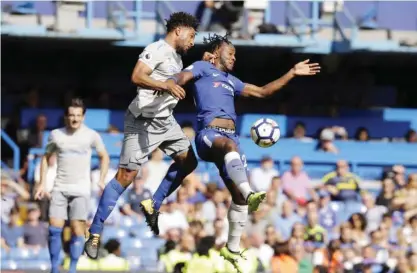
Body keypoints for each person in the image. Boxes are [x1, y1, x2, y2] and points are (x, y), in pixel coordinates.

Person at [158, 33, 320, 272]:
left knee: (239, 200)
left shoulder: (231, 81)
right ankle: (250, 191)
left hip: (231, 137)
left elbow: (264, 92)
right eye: (230, 53)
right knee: (232, 153)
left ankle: (232, 248)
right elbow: (182, 75)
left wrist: (292, 72)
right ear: (215, 55)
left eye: (235, 54)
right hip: (208, 135)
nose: (234, 57)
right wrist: (171, 81)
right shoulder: (203, 67)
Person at [84, 12, 214, 259]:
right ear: (179, 30)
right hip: (142, 121)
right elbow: (137, 75)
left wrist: (200, 64)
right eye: (192, 35)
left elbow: (174, 74)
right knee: (126, 176)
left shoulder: (175, 57)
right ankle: (95, 232)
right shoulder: (156, 48)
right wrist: (165, 85)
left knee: (189, 161)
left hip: (165, 121)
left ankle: (153, 203)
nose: (192, 41)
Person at [34, 98, 109, 273]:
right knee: (54, 228)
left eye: (78, 115)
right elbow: (46, 158)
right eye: (71, 115)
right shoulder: (56, 134)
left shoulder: (91, 135)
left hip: (81, 189)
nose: (74, 119)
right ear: (66, 116)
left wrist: (101, 179)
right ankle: (54, 268)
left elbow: (104, 156)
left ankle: (72, 268)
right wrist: (41, 183)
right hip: (60, 187)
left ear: (83, 117)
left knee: (77, 230)